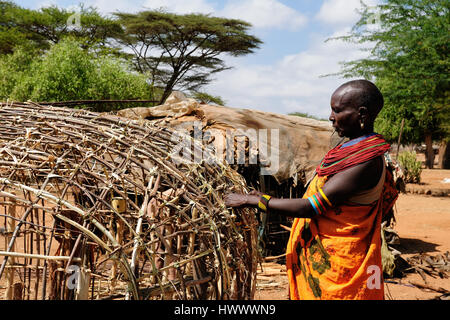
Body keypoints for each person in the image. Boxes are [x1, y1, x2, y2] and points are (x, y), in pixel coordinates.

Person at [224, 79, 398, 300]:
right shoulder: (350, 148)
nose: (331, 117)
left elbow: (311, 206)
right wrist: (264, 197)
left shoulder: (366, 162)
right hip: (327, 258)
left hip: (341, 266)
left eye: (337, 110)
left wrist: (252, 201)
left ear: (361, 114)